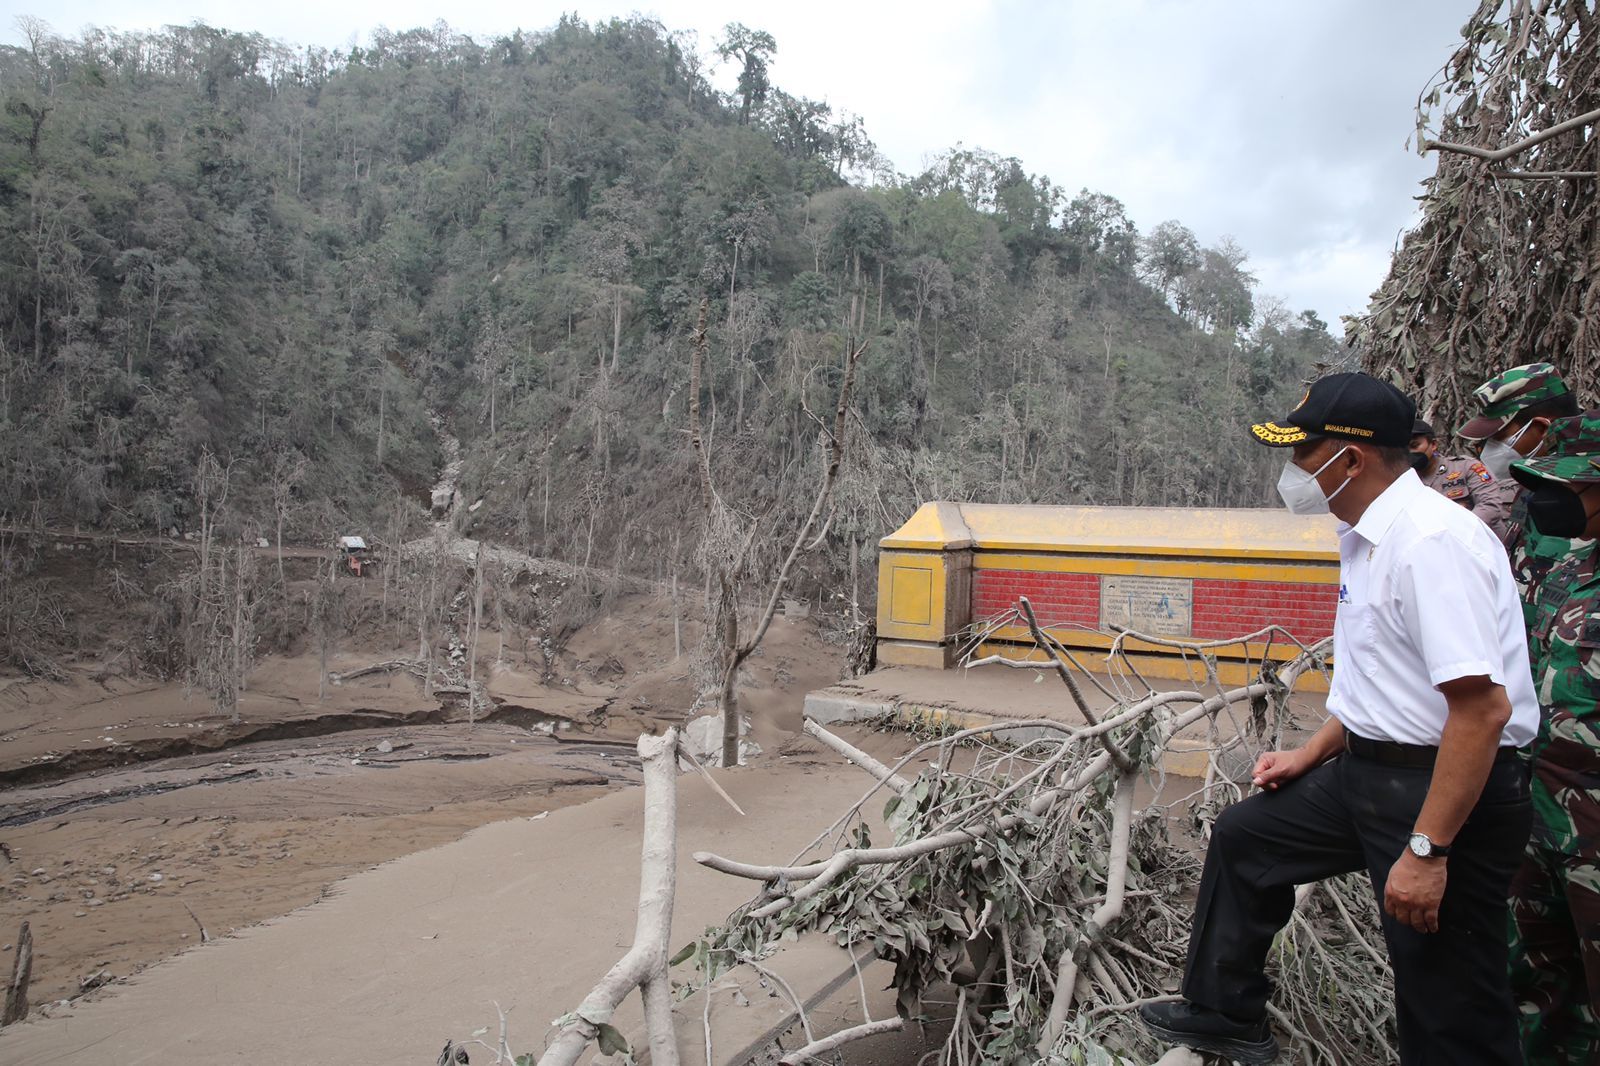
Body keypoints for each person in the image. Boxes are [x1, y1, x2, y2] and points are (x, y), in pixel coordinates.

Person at [1140, 372, 1537, 1065]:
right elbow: (1386, 689)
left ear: (1350, 459)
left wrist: (1427, 851)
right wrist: (1310, 754)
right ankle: (1226, 1013)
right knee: (1247, 839)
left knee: (1446, 1001)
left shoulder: (1431, 544)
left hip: (1445, 792)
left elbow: (1480, 712)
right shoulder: (1365, 536)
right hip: (1368, 772)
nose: (1293, 471)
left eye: (1302, 452)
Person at [1504, 415, 1600, 1064]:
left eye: (1568, 486)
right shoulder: (1566, 572)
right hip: (1542, 818)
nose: (1549, 500)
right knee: (1538, 984)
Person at [1459, 362, 1585, 612]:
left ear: (1540, 428)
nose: (1483, 450)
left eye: (1496, 437)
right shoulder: (1532, 485)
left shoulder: (1586, 489)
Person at [1410, 416, 1516, 538]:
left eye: (1414, 446)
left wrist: (1455, 531)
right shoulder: (1405, 481)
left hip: (1480, 544)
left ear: (1433, 444)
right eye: (1404, 449)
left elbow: (1490, 506)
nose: (1410, 453)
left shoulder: (1465, 467)